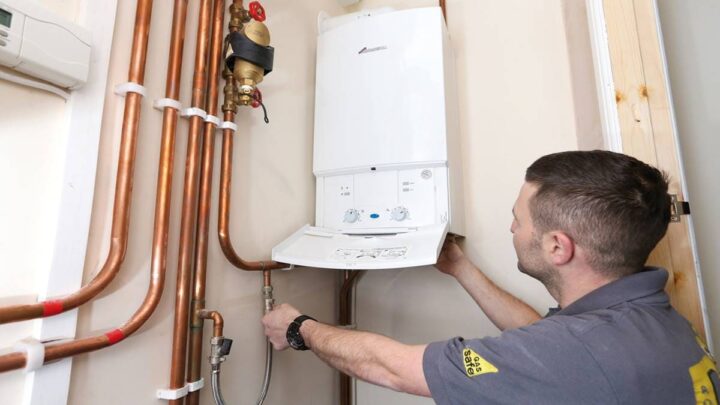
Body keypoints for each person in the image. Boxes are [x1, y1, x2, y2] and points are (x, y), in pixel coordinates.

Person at [262, 150, 719, 404]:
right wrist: (461, 267)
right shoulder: (657, 324)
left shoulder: (576, 352)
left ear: (558, 247)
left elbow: (394, 369)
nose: (511, 229)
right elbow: (544, 339)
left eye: (519, 220)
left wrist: (299, 328)